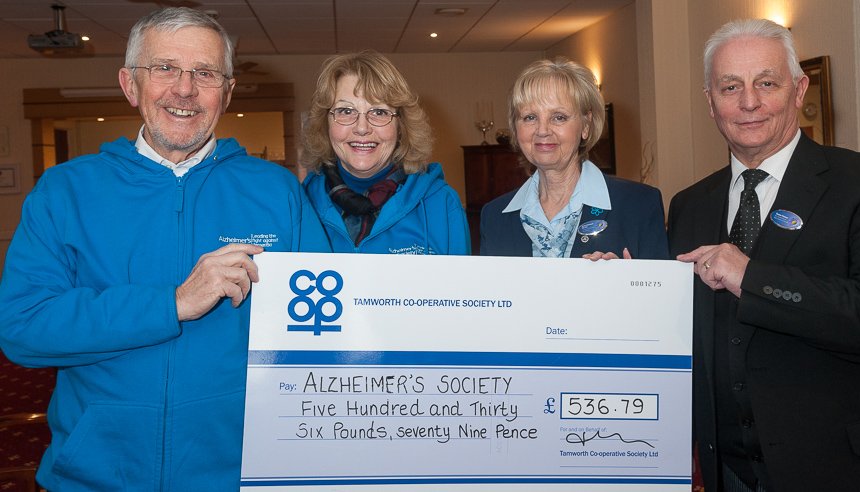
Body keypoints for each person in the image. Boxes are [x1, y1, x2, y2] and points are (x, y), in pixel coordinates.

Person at [0, 7, 328, 490]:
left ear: (228, 92)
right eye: (165, 68)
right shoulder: (64, 191)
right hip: (94, 478)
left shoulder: (276, 191)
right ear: (130, 84)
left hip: (239, 477)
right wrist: (171, 303)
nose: (185, 88)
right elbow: (23, 329)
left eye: (205, 73)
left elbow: (324, 333)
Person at [668, 18, 860, 492]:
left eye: (766, 83)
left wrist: (751, 277)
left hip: (841, 471)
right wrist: (620, 290)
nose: (748, 102)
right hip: (728, 472)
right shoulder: (689, 204)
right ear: (710, 101)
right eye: (730, 86)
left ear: (798, 89)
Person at [479, 57, 667, 259]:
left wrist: (627, 283)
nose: (542, 130)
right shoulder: (494, 216)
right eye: (530, 117)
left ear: (586, 125)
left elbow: (662, 289)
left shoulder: (638, 205)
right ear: (516, 128)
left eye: (559, 117)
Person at [300, 50, 470, 255]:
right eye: (346, 111)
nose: (362, 128)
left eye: (379, 112)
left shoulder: (442, 203)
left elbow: (462, 287)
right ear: (324, 124)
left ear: (402, 126)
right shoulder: (299, 203)